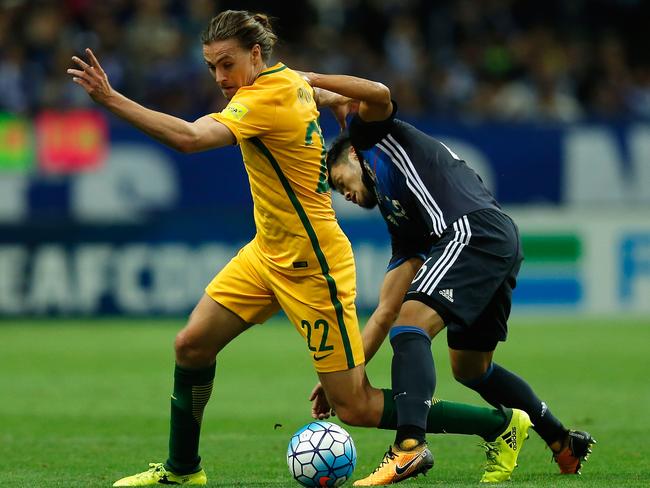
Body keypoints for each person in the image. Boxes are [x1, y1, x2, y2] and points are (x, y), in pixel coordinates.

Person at [69, 10, 529, 486]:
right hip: (266, 252)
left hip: (313, 265)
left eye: (227, 64)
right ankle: (183, 470)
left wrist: (110, 99)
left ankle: (499, 425)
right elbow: (324, 95)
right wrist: (335, 104)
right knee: (191, 346)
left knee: (354, 405)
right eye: (211, 67)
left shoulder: (267, 97)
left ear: (255, 54)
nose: (220, 77)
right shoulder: (287, 83)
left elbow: (190, 139)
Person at [301, 71, 596, 486]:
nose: (343, 194)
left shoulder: (370, 139)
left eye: (338, 182)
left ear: (350, 157)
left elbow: (380, 92)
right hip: (496, 240)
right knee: (472, 369)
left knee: (412, 325)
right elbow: (384, 311)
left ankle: (408, 447)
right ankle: (562, 440)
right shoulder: (402, 220)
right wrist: (343, 373)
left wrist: (314, 83)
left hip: (471, 231)